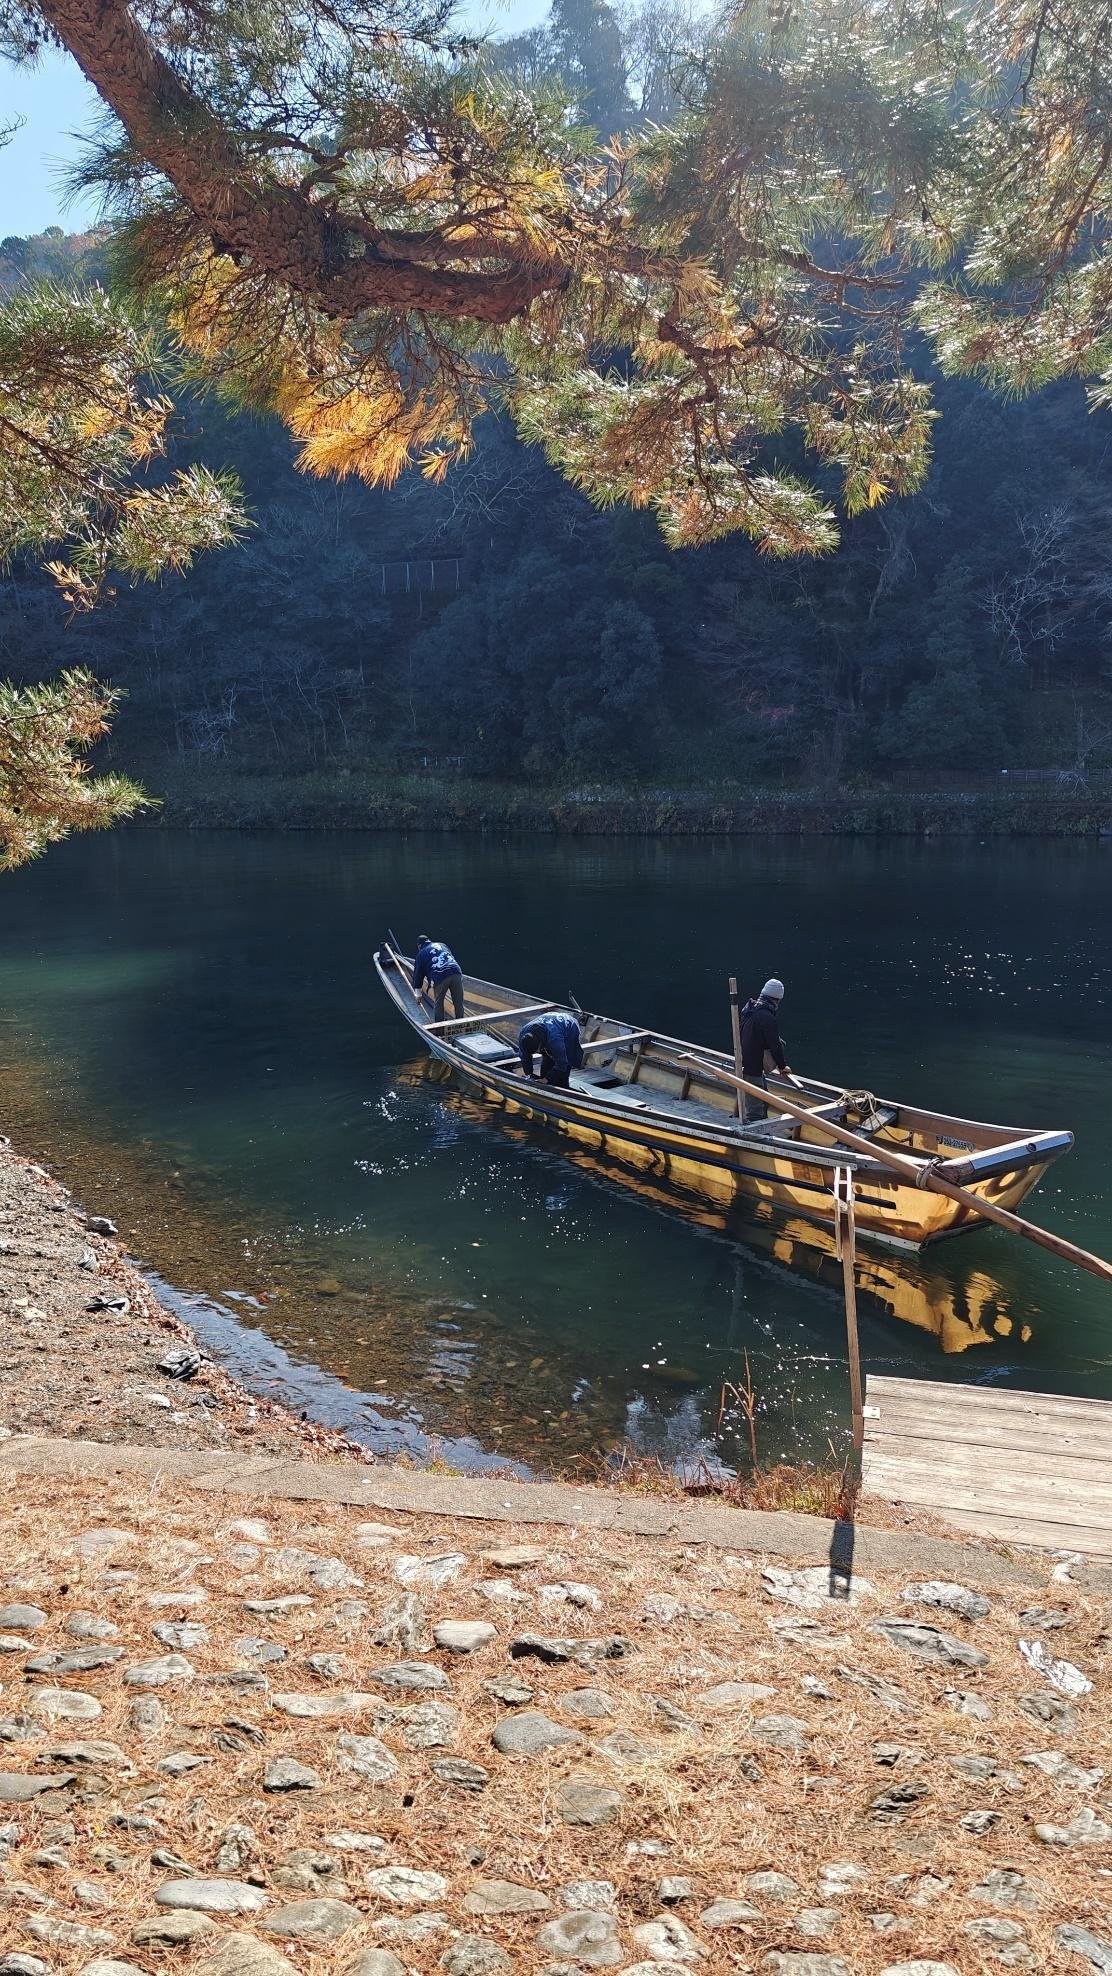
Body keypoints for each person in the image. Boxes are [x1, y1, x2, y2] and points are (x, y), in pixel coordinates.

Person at [739, 977, 791, 1122]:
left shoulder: (748, 1008)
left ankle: (761, 1129)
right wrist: (782, 1066)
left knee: (764, 1100)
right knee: (755, 1109)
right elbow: (774, 1045)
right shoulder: (767, 1017)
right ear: (777, 999)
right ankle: (752, 1137)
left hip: (744, 1061)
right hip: (753, 1067)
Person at [518, 1011, 583, 1089]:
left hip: (569, 1028)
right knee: (547, 1059)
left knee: (565, 1065)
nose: (538, 1053)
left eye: (537, 1051)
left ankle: (563, 1087)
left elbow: (562, 1063)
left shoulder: (555, 1039)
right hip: (549, 1027)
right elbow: (525, 1058)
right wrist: (528, 1075)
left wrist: (547, 1079)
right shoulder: (523, 1035)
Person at [412, 933, 465, 1022]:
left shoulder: (421, 954)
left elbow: (418, 975)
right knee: (458, 1002)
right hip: (456, 971)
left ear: (419, 945)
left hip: (440, 975)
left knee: (438, 1003)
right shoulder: (442, 945)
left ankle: (440, 1028)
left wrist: (418, 994)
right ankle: (460, 1024)